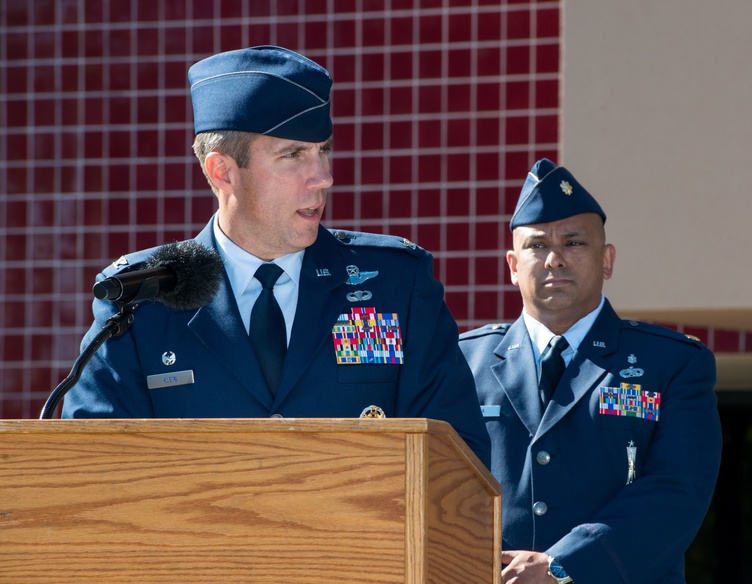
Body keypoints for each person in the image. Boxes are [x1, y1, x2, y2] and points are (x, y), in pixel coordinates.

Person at [62, 45, 490, 466]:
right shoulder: (142, 297)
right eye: (293, 155)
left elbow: (459, 458)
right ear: (223, 172)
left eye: (323, 149)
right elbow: (94, 466)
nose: (323, 177)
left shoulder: (396, 284)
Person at [459, 158, 722, 584]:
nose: (554, 258)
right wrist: (510, 581)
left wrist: (563, 572)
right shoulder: (460, 364)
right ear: (513, 266)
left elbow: (675, 495)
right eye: (536, 245)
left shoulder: (671, 364)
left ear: (607, 260)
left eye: (574, 242)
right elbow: (436, 488)